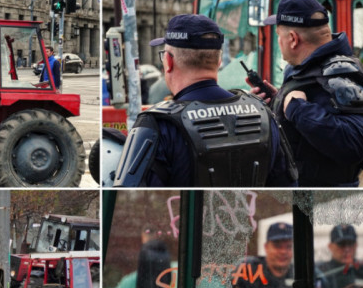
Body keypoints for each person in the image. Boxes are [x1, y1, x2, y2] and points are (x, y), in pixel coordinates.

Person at [113, 14, 297, 187]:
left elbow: (127, 193)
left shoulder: (157, 125)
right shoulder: (262, 112)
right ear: (218, 62)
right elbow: (288, 184)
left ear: (168, 61)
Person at [251, 0, 363, 187]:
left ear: (292, 39)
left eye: (278, 36)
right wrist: (278, 100)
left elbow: (354, 144)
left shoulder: (339, 72)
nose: (279, 42)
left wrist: (298, 109)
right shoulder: (307, 68)